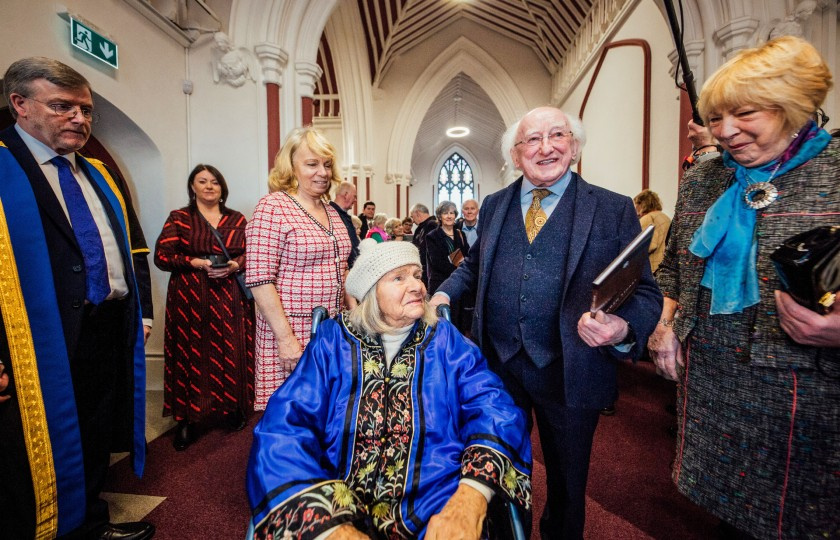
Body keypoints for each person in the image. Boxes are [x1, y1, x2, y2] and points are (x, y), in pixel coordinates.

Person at [430, 106, 662, 539]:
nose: (546, 147)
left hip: (571, 370)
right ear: (516, 155)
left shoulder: (612, 210)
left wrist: (623, 328)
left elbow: (645, 292)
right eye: (532, 140)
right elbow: (474, 267)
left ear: (574, 147)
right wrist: (443, 292)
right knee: (494, 470)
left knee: (568, 485)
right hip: (498, 367)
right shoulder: (496, 206)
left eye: (558, 135)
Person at [648, 36, 840, 539]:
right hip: (714, 382)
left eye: (745, 113)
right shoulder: (704, 179)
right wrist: (666, 324)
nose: (725, 131)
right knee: (731, 517)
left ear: (794, 107)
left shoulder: (835, 172)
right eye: (715, 118)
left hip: (810, 392)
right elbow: (673, 268)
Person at [247, 239, 531, 540]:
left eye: (417, 276)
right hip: (339, 499)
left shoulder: (446, 340)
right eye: (399, 278)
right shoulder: (332, 342)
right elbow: (282, 429)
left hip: (435, 501)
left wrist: (470, 498)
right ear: (371, 292)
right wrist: (327, 529)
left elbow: (494, 407)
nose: (417, 287)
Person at [0, 57, 153, 539]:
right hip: (31, 338)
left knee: (91, 432)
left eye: (86, 110)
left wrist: (142, 311)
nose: (80, 119)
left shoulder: (100, 174)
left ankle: (87, 523)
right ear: (20, 105)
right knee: (30, 448)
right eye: (63, 107)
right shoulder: (4, 168)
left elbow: (132, 248)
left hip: (105, 326)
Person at [246, 127, 351, 410]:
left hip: (331, 329)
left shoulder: (331, 210)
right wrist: (286, 338)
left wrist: (356, 316)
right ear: (291, 167)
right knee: (291, 416)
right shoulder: (273, 207)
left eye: (327, 164)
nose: (323, 172)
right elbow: (259, 278)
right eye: (312, 164)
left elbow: (342, 268)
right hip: (292, 328)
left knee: (326, 411)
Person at [154, 164, 254, 450]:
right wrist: (194, 263)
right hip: (190, 298)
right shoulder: (181, 218)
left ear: (222, 188)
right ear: (192, 187)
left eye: (215, 182)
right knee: (191, 354)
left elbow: (252, 251)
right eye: (202, 181)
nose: (209, 186)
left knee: (232, 350)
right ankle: (186, 419)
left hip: (230, 297)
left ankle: (233, 408)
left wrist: (236, 264)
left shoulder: (237, 219)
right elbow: (162, 255)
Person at [633, 189, 671, 272]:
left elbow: (649, 245)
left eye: (636, 204)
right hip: (666, 265)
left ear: (641, 204)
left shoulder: (647, 218)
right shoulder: (665, 217)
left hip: (653, 267)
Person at [330, 180, 360, 267]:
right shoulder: (330, 214)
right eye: (354, 196)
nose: (355, 200)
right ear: (346, 195)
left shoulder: (343, 215)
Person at [410, 203, 437, 286]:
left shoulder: (431, 225)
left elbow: (425, 249)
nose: (413, 221)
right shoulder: (424, 226)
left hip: (428, 271)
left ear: (418, 213)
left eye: (412, 217)